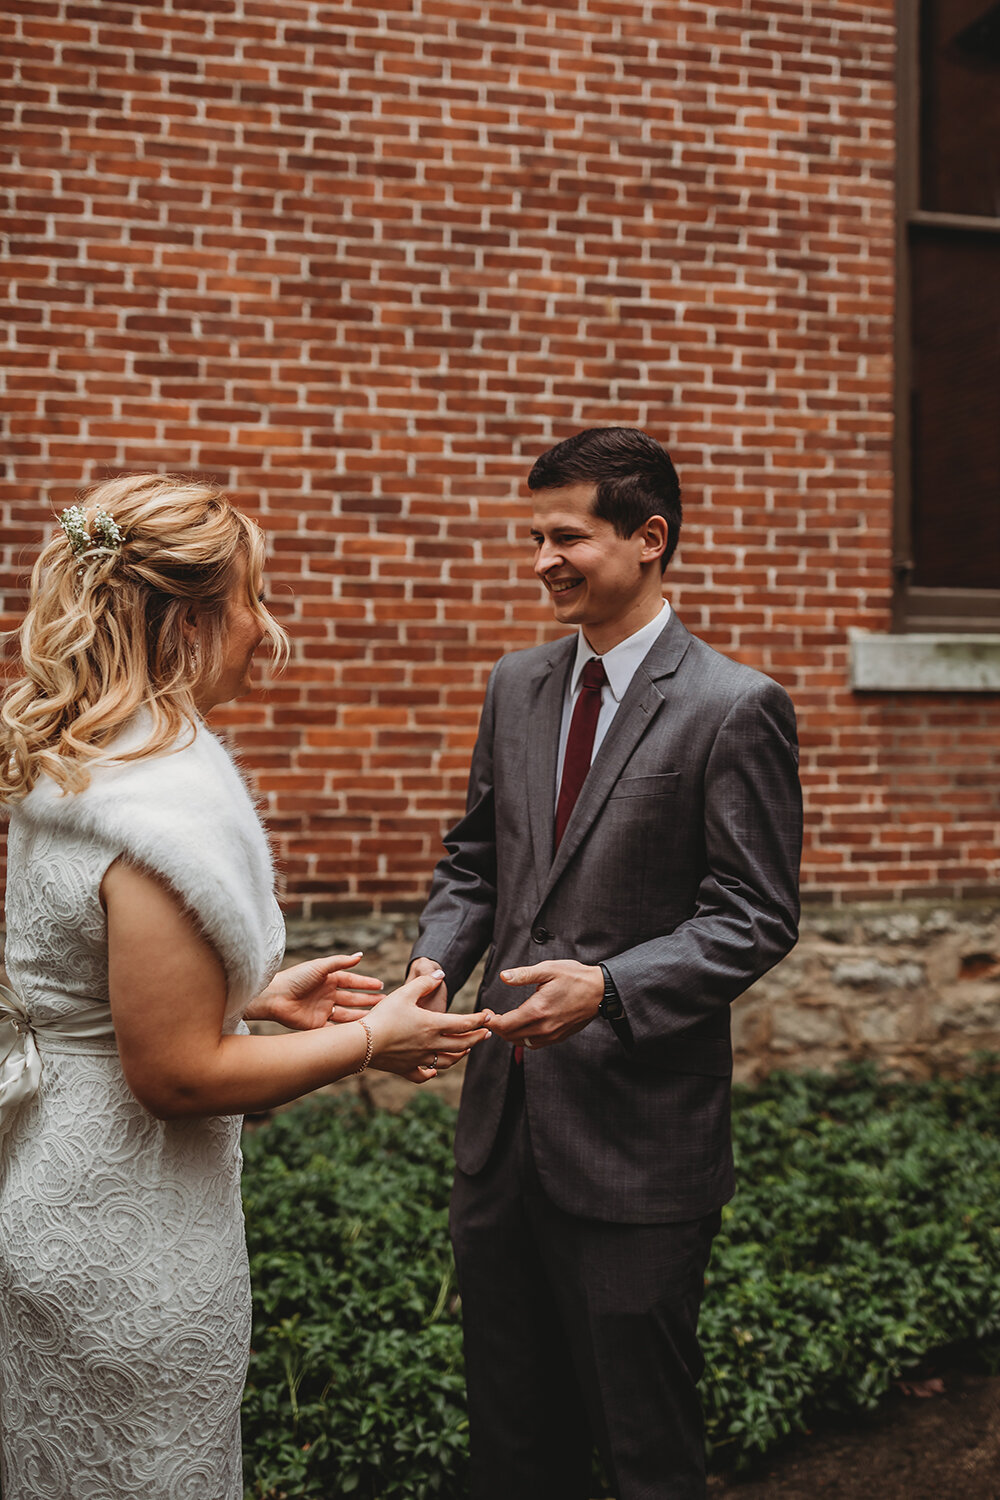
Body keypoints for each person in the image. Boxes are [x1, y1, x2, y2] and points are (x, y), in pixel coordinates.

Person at [0, 474, 491, 1500]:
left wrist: (250, 997)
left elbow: (84, 985)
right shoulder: (159, 805)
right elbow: (176, 1075)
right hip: (129, 1241)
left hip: (51, 1188)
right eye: (249, 600)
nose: (266, 632)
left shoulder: (76, 760)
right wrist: (374, 1041)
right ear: (184, 620)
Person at [409, 427, 803, 1499]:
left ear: (649, 538)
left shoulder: (735, 706)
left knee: (644, 1453)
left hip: (638, 1151)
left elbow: (755, 914)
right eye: (533, 535)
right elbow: (476, 862)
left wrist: (614, 987)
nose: (541, 557)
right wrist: (430, 972)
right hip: (501, 1143)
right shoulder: (516, 685)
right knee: (513, 1445)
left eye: (566, 535)